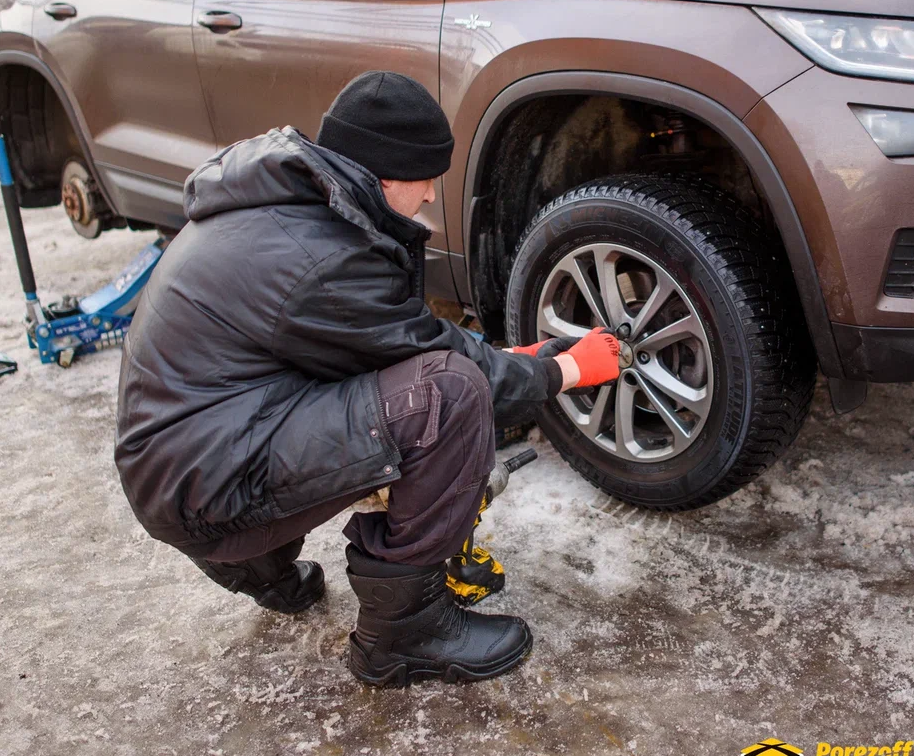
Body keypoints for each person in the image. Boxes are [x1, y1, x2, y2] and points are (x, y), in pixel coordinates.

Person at [114, 71, 622, 686]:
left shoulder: (288, 212)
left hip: (185, 461)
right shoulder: (323, 259)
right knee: (451, 397)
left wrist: (517, 359)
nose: (433, 196)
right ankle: (404, 637)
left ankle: (260, 564)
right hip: (207, 484)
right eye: (428, 177)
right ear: (387, 175)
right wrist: (564, 370)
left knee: (439, 381)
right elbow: (437, 368)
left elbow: (388, 341)